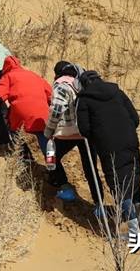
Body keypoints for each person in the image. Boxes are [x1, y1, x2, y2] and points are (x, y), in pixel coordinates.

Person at [76, 69, 140, 238]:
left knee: (119, 184)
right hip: (130, 140)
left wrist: (98, 136)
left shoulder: (84, 100)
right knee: (134, 176)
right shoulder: (117, 92)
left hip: (108, 146)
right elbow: (135, 118)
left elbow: (84, 130)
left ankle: (134, 231)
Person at [43, 61, 104, 208]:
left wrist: (49, 131)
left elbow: (56, 110)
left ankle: (64, 187)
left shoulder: (61, 86)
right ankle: (99, 203)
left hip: (68, 132)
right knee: (90, 168)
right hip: (86, 132)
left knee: (51, 157)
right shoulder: (82, 83)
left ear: (57, 74)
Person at [0, 56, 53, 163]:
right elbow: (51, 95)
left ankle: (25, 157)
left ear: (5, 68)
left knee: (13, 130)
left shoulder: (7, 77)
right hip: (42, 114)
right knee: (44, 137)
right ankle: (53, 165)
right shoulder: (34, 75)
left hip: (21, 114)